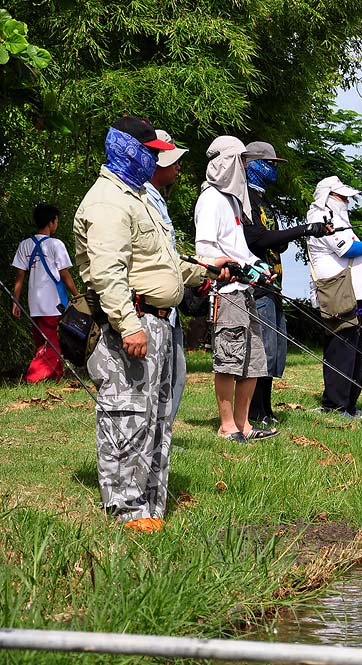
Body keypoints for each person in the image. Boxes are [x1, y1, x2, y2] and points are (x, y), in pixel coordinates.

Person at [75, 116, 233, 532]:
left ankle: (149, 505)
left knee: (158, 416)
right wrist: (128, 325)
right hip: (134, 322)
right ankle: (126, 511)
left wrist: (208, 273)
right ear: (127, 150)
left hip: (162, 323)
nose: (155, 161)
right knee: (127, 414)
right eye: (150, 153)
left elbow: (159, 265)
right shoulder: (109, 201)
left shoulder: (139, 197)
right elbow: (109, 273)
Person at [241, 141, 333, 426]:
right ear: (252, 164)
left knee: (275, 350)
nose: (273, 170)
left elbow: (276, 243)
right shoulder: (245, 200)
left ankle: (266, 410)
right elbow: (257, 238)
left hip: (275, 285)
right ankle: (255, 411)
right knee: (261, 351)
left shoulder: (266, 200)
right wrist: (304, 229)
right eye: (269, 164)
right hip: (256, 286)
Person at [194, 135, 276, 442]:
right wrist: (227, 265)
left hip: (246, 292)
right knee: (229, 360)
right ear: (226, 163)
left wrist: (258, 265)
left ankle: (244, 425)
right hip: (225, 294)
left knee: (254, 360)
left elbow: (240, 248)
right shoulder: (211, 199)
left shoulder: (232, 201)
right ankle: (226, 426)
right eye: (240, 160)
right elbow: (204, 251)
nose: (244, 167)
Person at [306, 176, 362, 416]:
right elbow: (347, 249)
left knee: (356, 347)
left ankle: (350, 404)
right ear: (329, 196)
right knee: (341, 348)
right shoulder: (321, 216)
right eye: (343, 196)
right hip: (337, 291)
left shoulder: (340, 217)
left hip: (353, 291)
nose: (347, 200)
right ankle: (334, 405)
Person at [144, 130, 188, 421]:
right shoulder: (142, 199)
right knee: (153, 385)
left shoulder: (157, 199)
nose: (178, 167)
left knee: (175, 377)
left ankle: (161, 439)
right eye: (172, 161)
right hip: (149, 312)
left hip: (169, 311)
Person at [11, 203, 79, 383]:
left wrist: (15, 302)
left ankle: (55, 376)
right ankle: (33, 377)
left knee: (43, 341)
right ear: (51, 222)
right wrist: (78, 295)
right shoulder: (56, 244)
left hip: (34, 303)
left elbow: (19, 276)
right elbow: (65, 275)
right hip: (53, 303)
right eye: (56, 220)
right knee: (53, 343)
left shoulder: (25, 245)